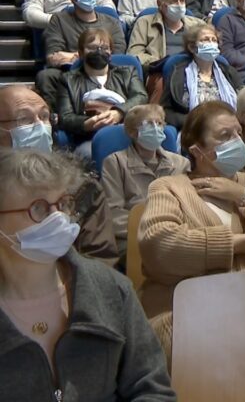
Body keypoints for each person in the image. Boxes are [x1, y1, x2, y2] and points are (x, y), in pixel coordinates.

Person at [0, 148, 175, 400]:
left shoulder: (111, 288)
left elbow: (151, 387)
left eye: (63, 204)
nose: (59, 218)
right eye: (39, 208)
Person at [139, 100, 245, 350]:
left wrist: (244, 195)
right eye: (225, 136)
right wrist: (238, 244)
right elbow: (160, 247)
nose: (237, 141)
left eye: (238, 134)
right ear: (197, 150)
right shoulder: (169, 187)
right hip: (193, 316)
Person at [100, 104, 189, 252]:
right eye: (148, 123)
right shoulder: (115, 162)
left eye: (159, 123)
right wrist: (153, 231)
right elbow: (113, 213)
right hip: (133, 237)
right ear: (132, 132)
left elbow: (188, 207)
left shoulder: (181, 163)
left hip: (176, 235)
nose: (156, 128)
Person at [56, 28, 146, 158]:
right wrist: (88, 123)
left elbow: (141, 97)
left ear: (111, 52)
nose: (99, 51)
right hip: (90, 138)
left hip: (127, 133)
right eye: (92, 48)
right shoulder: (68, 80)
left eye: (104, 48)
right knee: (89, 153)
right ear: (81, 53)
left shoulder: (127, 72)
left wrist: (118, 112)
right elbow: (65, 117)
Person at [39, 0, 127, 105]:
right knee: (46, 76)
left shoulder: (112, 22)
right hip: (72, 73)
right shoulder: (59, 20)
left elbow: (117, 54)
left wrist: (73, 55)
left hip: (106, 71)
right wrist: (94, 55)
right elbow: (54, 57)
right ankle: (57, 118)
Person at [161, 24, 243, 128]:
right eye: (205, 40)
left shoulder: (228, 72)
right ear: (192, 47)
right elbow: (165, 110)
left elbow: (244, 102)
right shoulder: (178, 73)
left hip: (230, 128)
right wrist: (191, 122)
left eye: (214, 40)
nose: (211, 43)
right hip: (195, 130)